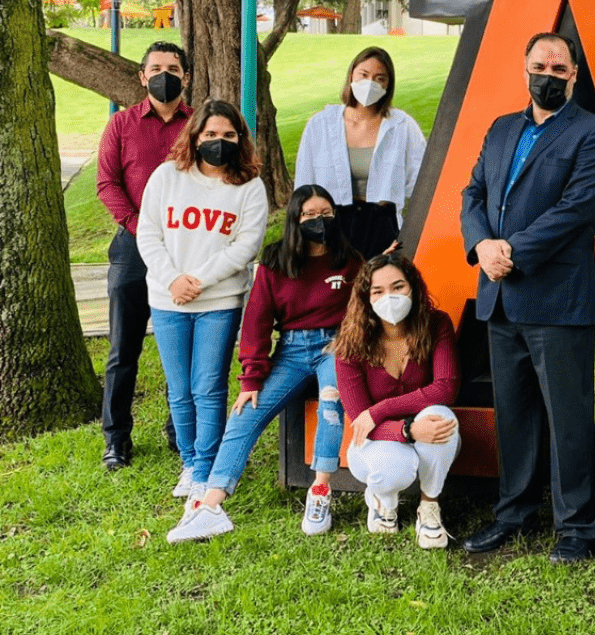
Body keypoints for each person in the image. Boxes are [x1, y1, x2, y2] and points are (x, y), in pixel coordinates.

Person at [459, 31, 595, 563]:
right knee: (515, 414)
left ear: (573, 75)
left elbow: (577, 208)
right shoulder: (502, 129)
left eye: (558, 66)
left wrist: (512, 251)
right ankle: (514, 514)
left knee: (568, 417)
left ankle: (576, 527)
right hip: (500, 298)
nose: (547, 73)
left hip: (558, 299)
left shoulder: (593, 133)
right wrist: (481, 244)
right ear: (525, 69)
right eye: (539, 64)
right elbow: (473, 193)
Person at [165, 186, 362, 543]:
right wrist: (251, 379)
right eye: (309, 215)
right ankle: (211, 505)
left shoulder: (349, 260)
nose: (319, 221)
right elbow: (256, 321)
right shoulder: (275, 261)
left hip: (337, 346)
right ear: (294, 220)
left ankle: (319, 492)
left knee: (331, 402)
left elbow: (365, 309)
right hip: (291, 350)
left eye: (326, 213)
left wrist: (350, 342)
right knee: (244, 413)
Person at [137, 100, 268, 504]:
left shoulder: (250, 185)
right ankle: (190, 464)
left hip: (219, 301)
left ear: (240, 139)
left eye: (229, 135)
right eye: (210, 134)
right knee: (179, 390)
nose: (219, 141)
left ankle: (209, 465)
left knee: (208, 387)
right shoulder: (166, 177)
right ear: (195, 136)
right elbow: (148, 234)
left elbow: (246, 245)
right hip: (167, 298)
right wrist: (174, 280)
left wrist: (200, 280)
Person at [96, 42, 192, 471]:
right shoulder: (121, 124)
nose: (164, 75)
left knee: (183, 347)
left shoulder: (201, 125)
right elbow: (107, 183)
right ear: (142, 76)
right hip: (133, 249)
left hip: (190, 248)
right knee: (123, 349)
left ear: (185, 76)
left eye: (172, 68)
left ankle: (180, 430)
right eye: (156, 68)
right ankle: (116, 439)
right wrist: (142, 229)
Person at [332, 254, 461, 547]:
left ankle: (429, 506)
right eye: (378, 291)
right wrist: (407, 430)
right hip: (373, 444)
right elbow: (361, 422)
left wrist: (383, 410)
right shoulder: (350, 343)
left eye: (398, 286)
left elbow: (446, 388)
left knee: (442, 415)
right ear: (366, 297)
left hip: (425, 432)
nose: (389, 297)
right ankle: (382, 500)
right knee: (394, 467)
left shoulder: (436, 323)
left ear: (413, 287)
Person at [294, 46, 426, 254]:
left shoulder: (402, 126)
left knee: (377, 285)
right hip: (331, 225)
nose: (370, 83)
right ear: (351, 75)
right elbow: (303, 185)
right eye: (364, 75)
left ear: (388, 85)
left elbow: (422, 185)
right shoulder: (320, 125)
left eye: (379, 78)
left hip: (382, 226)